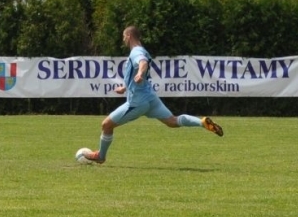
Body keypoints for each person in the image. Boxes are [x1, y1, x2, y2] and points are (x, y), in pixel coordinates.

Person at [76, 25, 222, 164]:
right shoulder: (142, 50)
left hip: (138, 102)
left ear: (128, 35)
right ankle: (202, 122)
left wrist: (140, 73)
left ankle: (101, 156)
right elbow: (138, 68)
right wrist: (125, 87)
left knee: (106, 125)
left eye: (123, 37)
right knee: (172, 121)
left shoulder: (136, 52)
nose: (123, 40)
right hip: (151, 98)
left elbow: (143, 63)